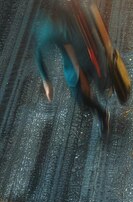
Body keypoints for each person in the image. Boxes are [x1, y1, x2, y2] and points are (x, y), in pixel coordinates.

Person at [34, 4, 110, 135]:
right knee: (81, 98)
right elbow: (39, 53)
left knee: (103, 85)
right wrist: (46, 81)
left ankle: (104, 84)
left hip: (87, 51)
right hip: (73, 59)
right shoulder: (48, 30)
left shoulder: (70, 12)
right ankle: (102, 113)